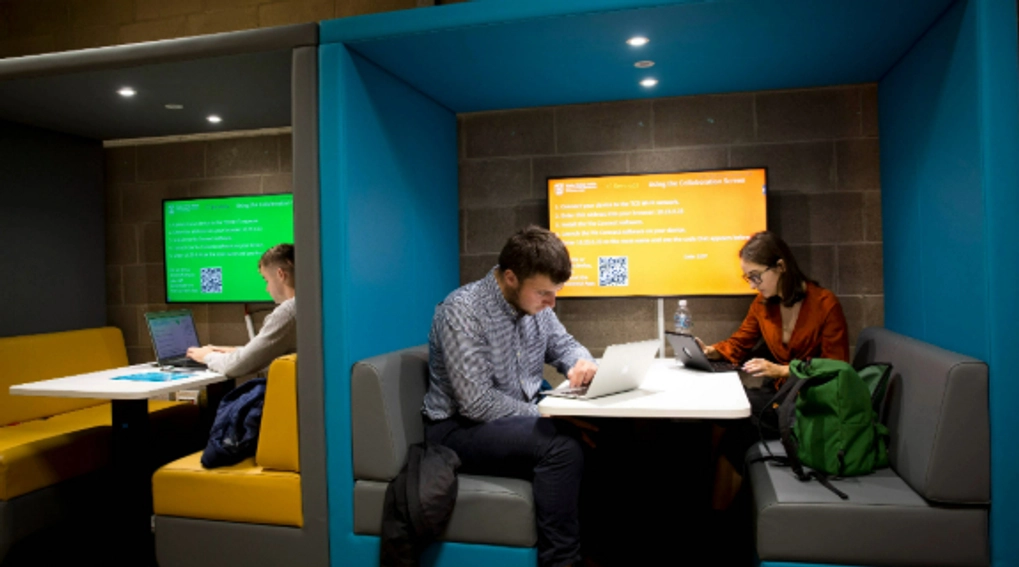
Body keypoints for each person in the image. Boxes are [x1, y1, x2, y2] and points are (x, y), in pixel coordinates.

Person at [422, 226, 597, 567]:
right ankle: (562, 562)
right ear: (511, 278)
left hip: (511, 418)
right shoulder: (463, 311)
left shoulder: (539, 309)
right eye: (544, 293)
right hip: (456, 428)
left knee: (597, 433)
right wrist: (548, 413)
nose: (551, 302)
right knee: (560, 447)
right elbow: (477, 402)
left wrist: (583, 361)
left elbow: (564, 345)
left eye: (556, 292)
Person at [695, 230, 849, 508]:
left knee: (733, 421)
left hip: (811, 402)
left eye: (756, 276)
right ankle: (719, 521)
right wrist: (711, 351)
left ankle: (716, 519)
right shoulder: (763, 305)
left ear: (780, 266)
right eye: (747, 277)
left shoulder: (825, 304)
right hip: (780, 398)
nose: (753, 284)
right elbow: (740, 343)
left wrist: (782, 371)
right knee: (731, 430)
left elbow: (836, 368)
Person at [186, 243, 297, 377]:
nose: (267, 289)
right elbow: (261, 353)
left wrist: (207, 356)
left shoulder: (288, 313)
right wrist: (230, 352)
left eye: (266, 280)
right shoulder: (313, 306)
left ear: (280, 274)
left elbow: (235, 367)